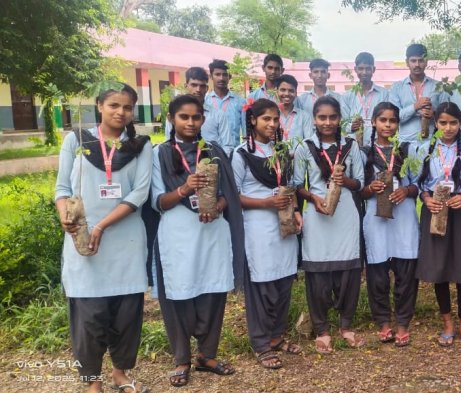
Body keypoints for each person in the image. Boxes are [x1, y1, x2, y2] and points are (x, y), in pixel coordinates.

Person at [55, 83, 152, 393]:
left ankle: (120, 373)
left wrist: (102, 226)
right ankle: (91, 381)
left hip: (126, 242)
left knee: (126, 313)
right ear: (99, 106)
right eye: (113, 105)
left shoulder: (139, 145)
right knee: (89, 315)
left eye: (126, 107)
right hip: (83, 242)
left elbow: (140, 192)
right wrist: (65, 216)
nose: (120, 112)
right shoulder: (76, 140)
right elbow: (62, 189)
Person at [151, 94, 244, 387]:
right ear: (171, 119)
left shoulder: (214, 150)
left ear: (203, 119)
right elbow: (156, 201)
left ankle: (207, 355)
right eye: (184, 117)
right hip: (178, 233)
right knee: (178, 293)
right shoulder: (160, 153)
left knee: (213, 290)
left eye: (196, 117)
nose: (191, 123)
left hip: (212, 231)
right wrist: (184, 189)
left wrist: (217, 206)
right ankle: (182, 359)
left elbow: (229, 193)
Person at [232, 98, 303, 369]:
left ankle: (276, 337)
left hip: (283, 224)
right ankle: (261, 343)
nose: (272, 124)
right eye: (266, 119)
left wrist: (295, 212)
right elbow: (234, 195)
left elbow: (289, 187)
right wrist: (265, 203)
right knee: (262, 285)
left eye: (276, 119)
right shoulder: (241, 154)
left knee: (283, 281)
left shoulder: (282, 151)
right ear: (253, 121)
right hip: (257, 227)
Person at [293, 96, 366, 354]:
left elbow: (360, 182)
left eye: (332, 117)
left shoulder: (350, 147)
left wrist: (344, 180)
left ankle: (346, 326)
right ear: (314, 119)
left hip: (345, 212)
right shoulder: (305, 147)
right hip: (317, 213)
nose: (327, 122)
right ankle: (322, 329)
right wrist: (312, 198)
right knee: (318, 272)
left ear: (339, 119)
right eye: (322, 117)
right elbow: (296, 185)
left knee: (348, 270)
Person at [416, 102, 461, 348]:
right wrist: (427, 199)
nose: (448, 128)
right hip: (436, 210)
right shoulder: (425, 148)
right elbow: (419, 183)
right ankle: (447, 324)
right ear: (436, 123)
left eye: (453, 123)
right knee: (440, 269)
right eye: (443, 123)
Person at [360, 102, 420, 347]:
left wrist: (405, 190)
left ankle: (403, 322)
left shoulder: (407, 149)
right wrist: (370, 188)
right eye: (382, 120)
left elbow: (419, 185)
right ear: (374, 122)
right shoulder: (364, 153)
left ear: (398, 124)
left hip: (404, 218)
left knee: (406, 272)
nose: (388, 125)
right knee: (378, 275)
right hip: (376, 219)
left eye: (392, 120)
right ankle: (384, 322)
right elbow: (359, 190)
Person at [390, 44, 443, 142]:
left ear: (426, 62)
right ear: (407, 62)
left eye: (421, 60)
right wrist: (415, 106)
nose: (417, 64)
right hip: (406, 142)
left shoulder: (438, 87)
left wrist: (434, 114)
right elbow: (394, 118)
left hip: (432, 142)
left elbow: (446, 116)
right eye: (413, 61)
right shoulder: (397, 88)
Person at [341, 52, 391, 145]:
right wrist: (351, 126)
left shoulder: (384, 94)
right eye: (361, 68)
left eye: (368, 69)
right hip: (354, 144)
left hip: (378, 143)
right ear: (355, 69)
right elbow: (342, 123)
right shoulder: (347, 96)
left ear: (373, 69)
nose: (364, 72)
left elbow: (388, 118)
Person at [201, 59, 245, 154]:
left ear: (229, 77)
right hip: (209, 154)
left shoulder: (240, 102)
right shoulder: (205, 102)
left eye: (225, 74)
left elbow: (245, 133)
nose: (221, 78)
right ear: (211, 76)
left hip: (234, 154)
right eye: (217, 74)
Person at [164, 67, 209, 139]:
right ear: (186, 86)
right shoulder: (175, 112)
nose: (198, 89)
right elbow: (169, 139)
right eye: (194, 85)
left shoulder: (218, 115)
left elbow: (227, 146)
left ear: (207, 89)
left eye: (202, 86)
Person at [275, 74, 314, 142]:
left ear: (296, 93)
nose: (287, 94)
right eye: (283, 90)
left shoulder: (304, 116)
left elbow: (309, 142)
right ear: (277, 91)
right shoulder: (272, 115)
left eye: (291, 90)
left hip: (298, 153)